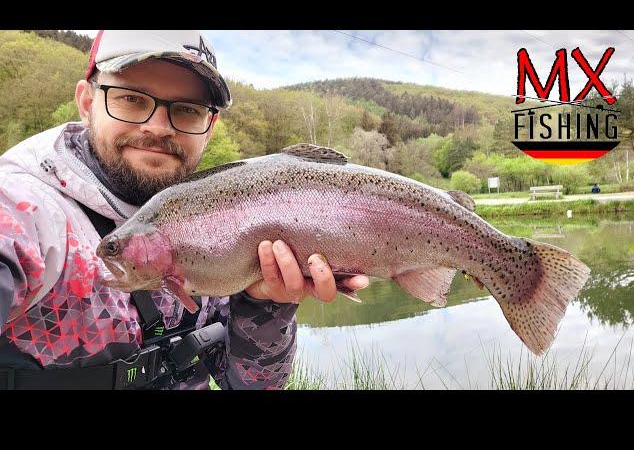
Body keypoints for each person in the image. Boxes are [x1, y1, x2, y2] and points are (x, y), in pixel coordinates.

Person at [0, 30, 369, 390]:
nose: (158, 128)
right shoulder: (25, 207)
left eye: (187, 109)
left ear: (209, 127)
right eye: (132, 99)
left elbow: (249, 385)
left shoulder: (220, 213)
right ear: (86, 102)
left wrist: (265, 302)